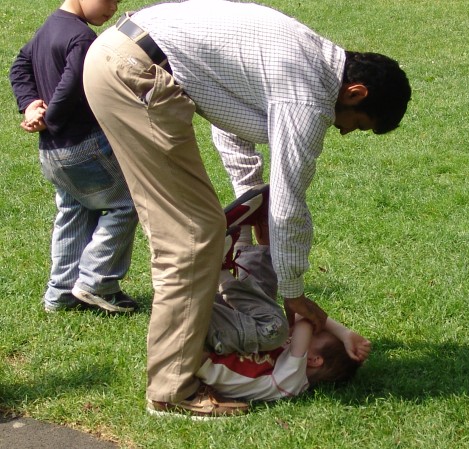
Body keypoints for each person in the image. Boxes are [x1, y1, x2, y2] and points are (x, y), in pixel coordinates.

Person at [82, 0, 410, 417]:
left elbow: (227, 118)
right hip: (134, 73)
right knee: (191, 238)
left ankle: (187, 353)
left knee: (198, 231)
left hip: (121, 56)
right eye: (357, 124)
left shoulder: (311, 60)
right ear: (355, 93)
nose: (344, 132)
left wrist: (251, 198)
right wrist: (293, 292)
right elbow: (289, 204)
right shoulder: (309, 96)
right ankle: (171, 392)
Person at [9, 0, 139, 313]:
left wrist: (30, 105)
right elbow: (70, 88)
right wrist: (48, 116)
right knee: (128, 203)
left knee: (74, 211)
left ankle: (60, 294)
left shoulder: (49, 27)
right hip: (84, 148)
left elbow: (19, 66)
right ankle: (97, 282)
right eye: (108, 0)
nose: (113, 7)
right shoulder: (82, 38)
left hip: (52, 151)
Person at [147, 243, 371, 419]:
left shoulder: (293, 382)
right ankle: (241, 245)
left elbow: (304, 317)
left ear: (314, 360)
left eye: (317, 334)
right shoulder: (288, 364)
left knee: (275, 328)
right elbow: (302, 317)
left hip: (196, 354)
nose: (312, 330)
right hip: (208, 344)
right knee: (267, 310)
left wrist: (343, 333)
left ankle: (220, 271)